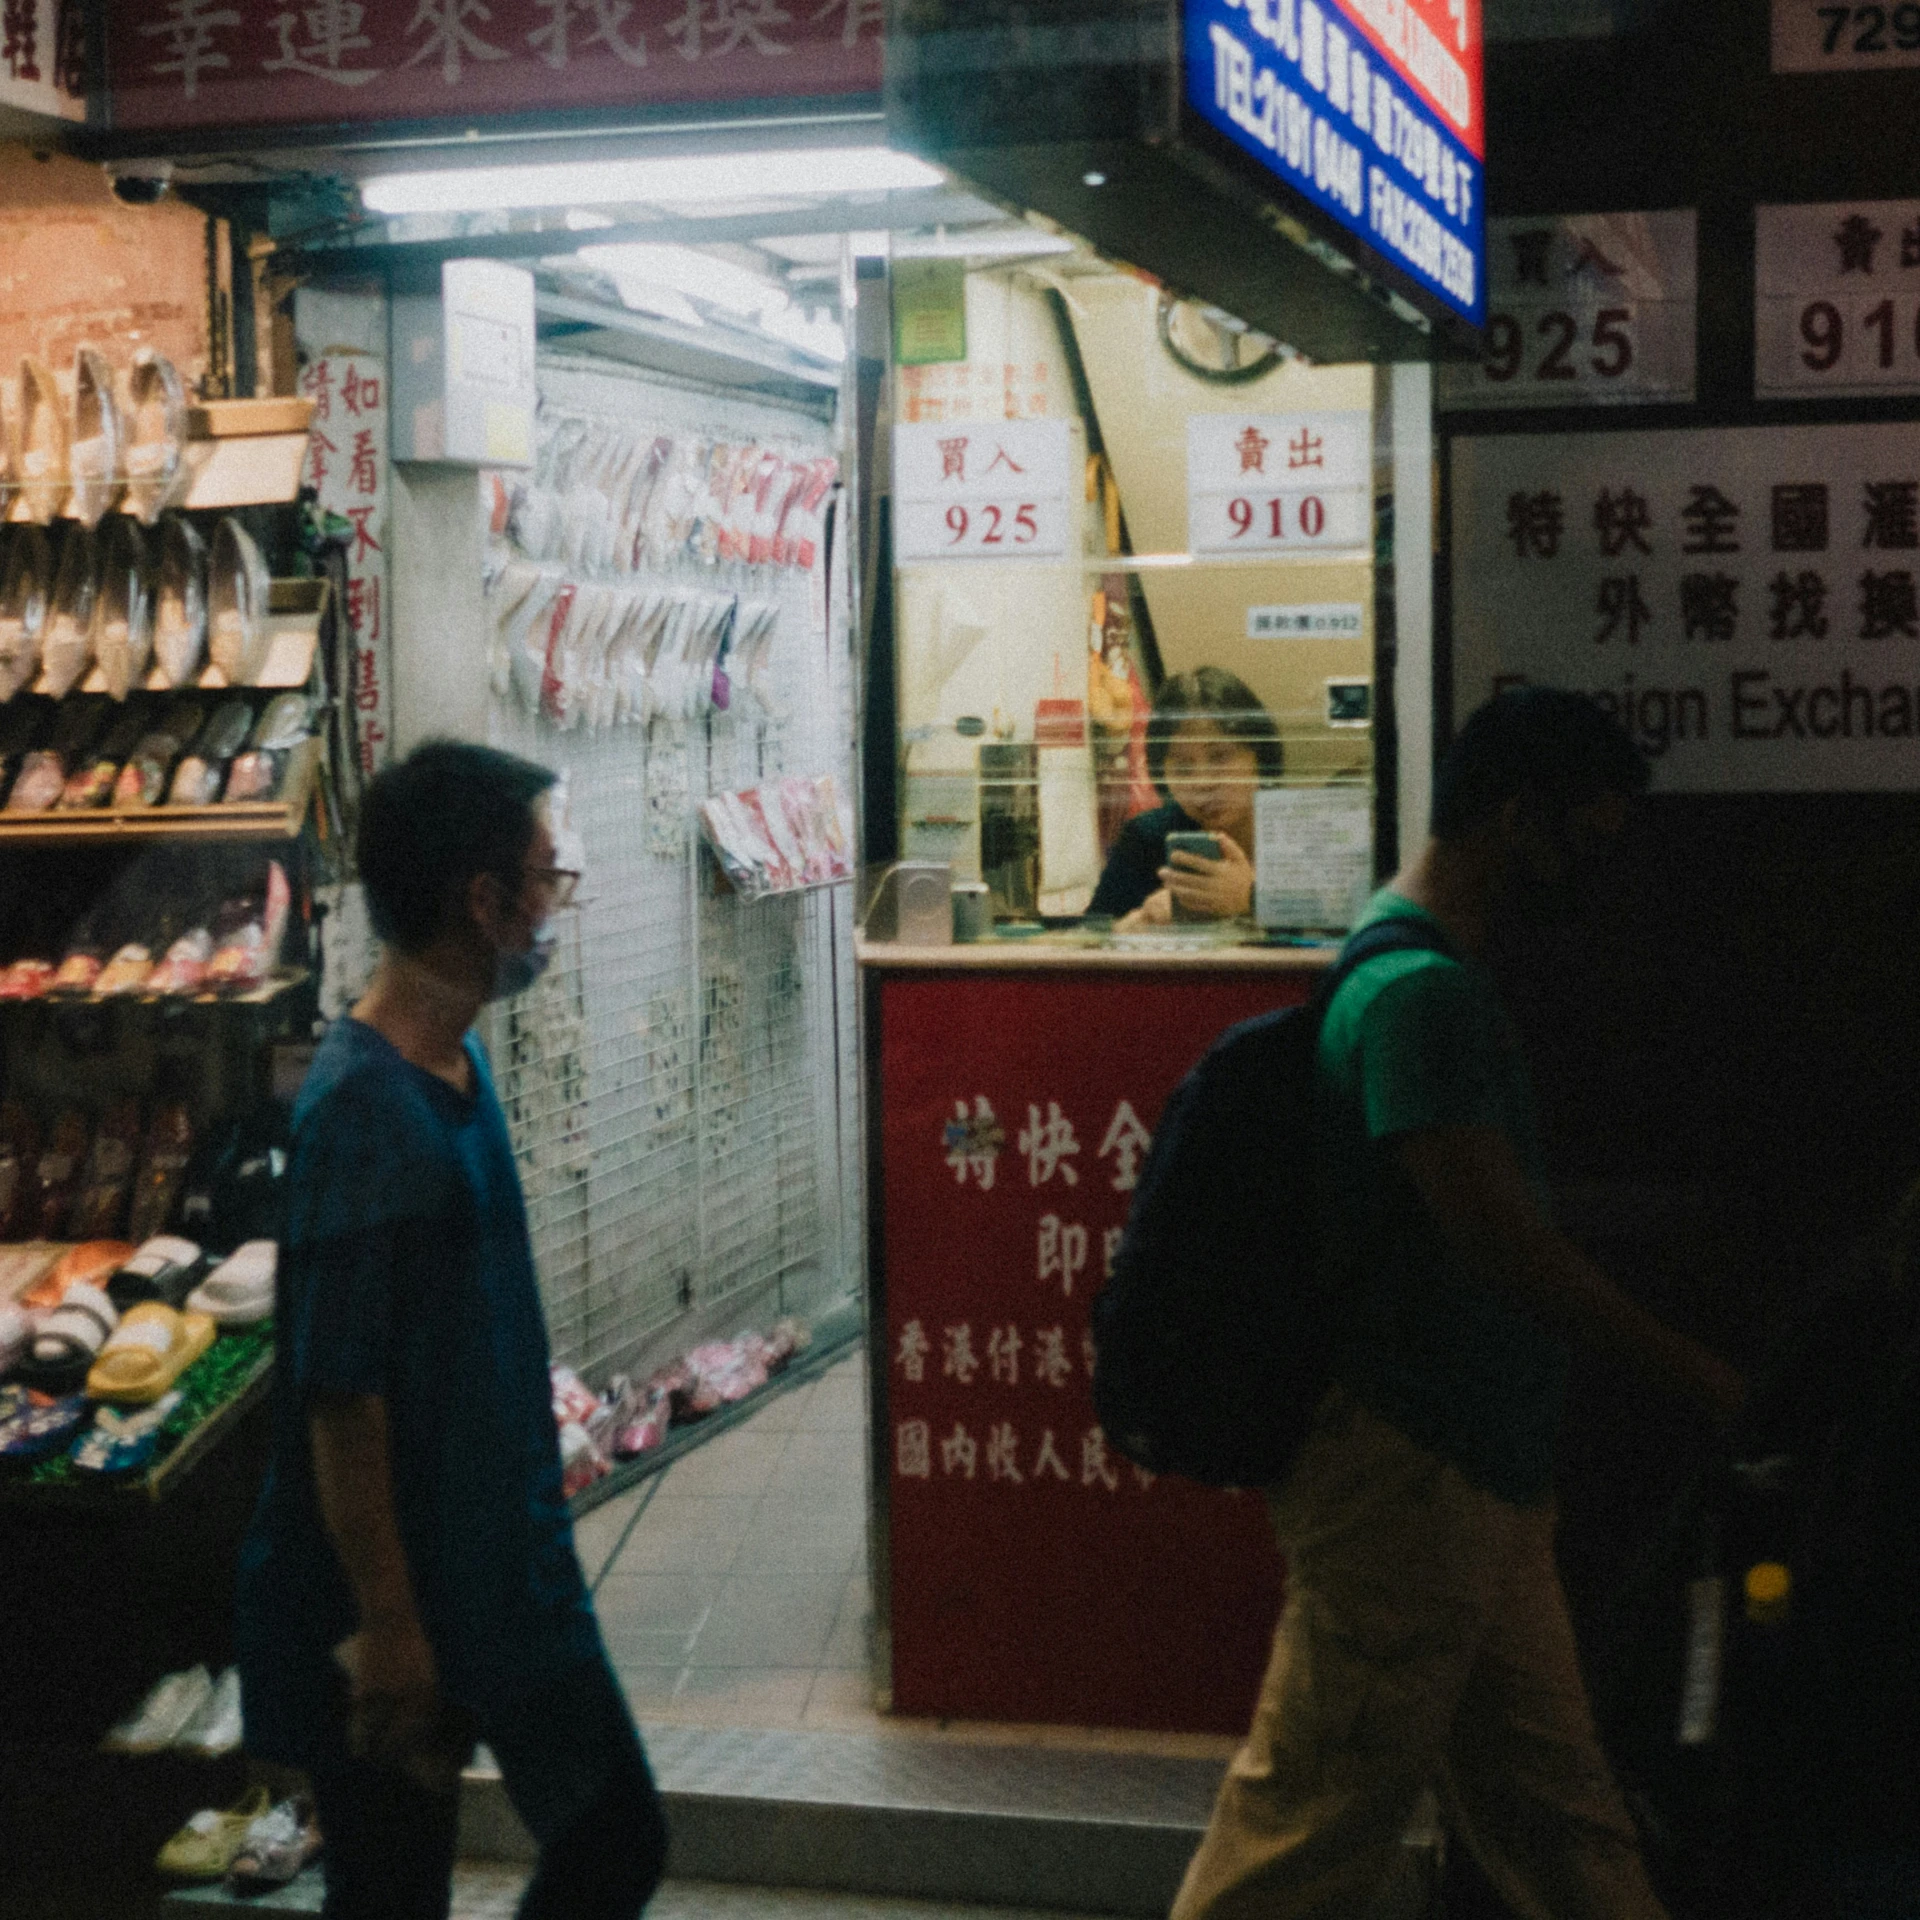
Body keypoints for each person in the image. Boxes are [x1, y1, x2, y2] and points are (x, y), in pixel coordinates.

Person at [1170, 689, 1745, 1920]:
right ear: (1512, 818)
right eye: (1584, 841)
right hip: (1411, 1477)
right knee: (1305, 1828)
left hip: (1474, 1477)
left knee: (1560, 1820)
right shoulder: (1419, 998)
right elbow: (1504, 1248)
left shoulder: (1415, 970)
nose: (1596, 873)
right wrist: (1696, 1373)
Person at [234, 741, 667, 1920]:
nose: (556, 904)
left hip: (498, 1568)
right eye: (548, 876)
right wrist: (388, 1628)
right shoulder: (363, 1108)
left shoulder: (453, 1061)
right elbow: (341, 1397)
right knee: (404, 1888)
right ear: (483, 902)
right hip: (402, 1597)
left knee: (610, 1834)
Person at [1087, 666, 1283, 928]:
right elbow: (1087, 937)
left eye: (1220, 757)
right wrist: (1137, 924)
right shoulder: (1147, 838)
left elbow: (1342, 938)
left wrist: (1251, 901)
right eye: (1182, 767)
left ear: (1260, 756)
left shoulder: (1297, 826)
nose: (1203, 783)